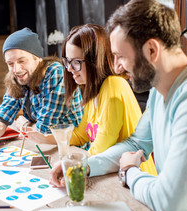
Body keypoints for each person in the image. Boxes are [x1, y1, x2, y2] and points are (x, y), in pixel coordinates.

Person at [52, 0, 187, 211]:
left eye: (121, 56)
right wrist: (85, 167)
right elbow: (136, 144)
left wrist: (129, 173)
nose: (116, 67)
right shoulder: (160, 89)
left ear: (151, 50)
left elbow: (171, 204)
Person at [25, 24, 156, 175]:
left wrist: (73, 166)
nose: (69, 68)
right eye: (67, 61)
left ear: (95, 61)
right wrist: (45, 138)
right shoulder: (92, 90)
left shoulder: (113, 85)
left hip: (135, 176)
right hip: (112, 173)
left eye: (76, 62)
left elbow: (100, 148)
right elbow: (81, 135)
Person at [0, 27, 83, 157]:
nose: (16, 69)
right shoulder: (17, 78)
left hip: (75, 150)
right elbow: (0, 119)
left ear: (38, 58)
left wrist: (25, 124)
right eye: (10, 63)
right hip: (46, 147)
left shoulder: (56, 73)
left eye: (21, 61)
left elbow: (44, 130)